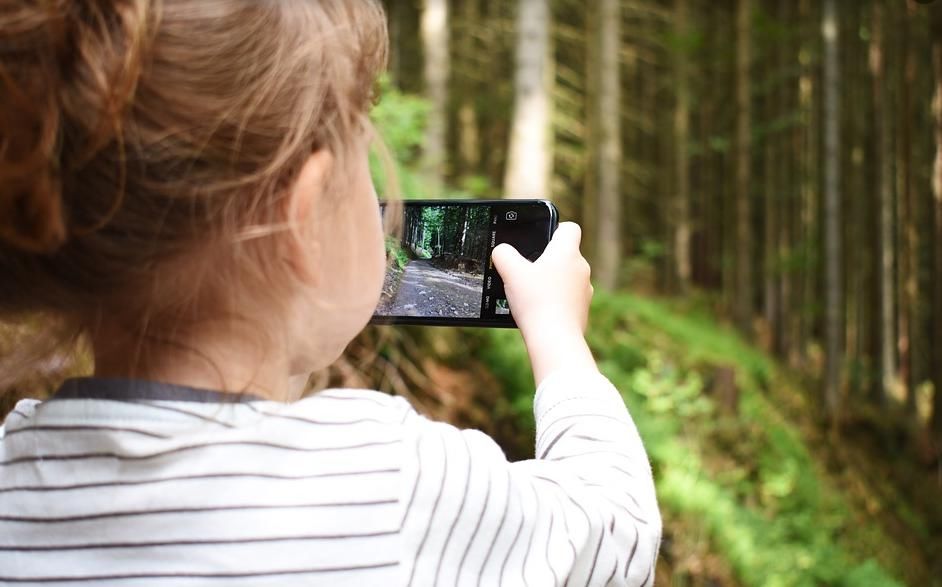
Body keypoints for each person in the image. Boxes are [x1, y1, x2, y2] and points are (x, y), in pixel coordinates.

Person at [0, 1, 661, 585]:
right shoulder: (393, 484)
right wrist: (558, 336)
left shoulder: (14, 470)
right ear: (304, 218)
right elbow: (616, 528)